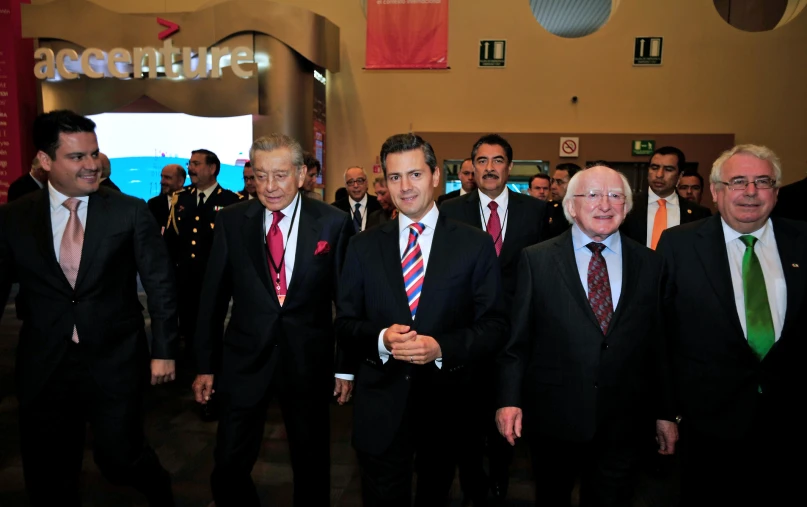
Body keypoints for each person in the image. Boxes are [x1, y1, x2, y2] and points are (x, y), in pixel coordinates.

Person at [0, 110, 178, 506]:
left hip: (115, 359)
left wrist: (164, 349)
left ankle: (159, 488)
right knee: (48, 471)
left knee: (119, 458)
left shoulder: (128, 211)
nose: (91, 164)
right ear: (46, 162)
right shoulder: (14, 217)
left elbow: (160, 285)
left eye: (94, 154)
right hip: (45, 362)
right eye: (77, 157)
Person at [335, 133, 508, 507]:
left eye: (414, 174)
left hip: (448, 407)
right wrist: (381, 338)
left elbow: (494, 325)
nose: (405, 186)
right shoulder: (362, 245)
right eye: (395, 177)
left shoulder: (473, 243)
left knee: (436, 495)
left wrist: (441, 347)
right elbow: (345, 322)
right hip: (380, 405)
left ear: (434, 176)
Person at [497, 165, 677, 506]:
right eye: (593, 195)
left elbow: (659, 345)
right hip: (554, 418)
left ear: (626, 207)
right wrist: (509, 399)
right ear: (570, 206)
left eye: (615, 196)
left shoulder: (652, 264)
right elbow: (517, 341)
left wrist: (666, 412)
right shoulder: (536, 260)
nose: (605, 205)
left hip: (625, 420)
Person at [192, 134, 355, 507]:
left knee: (311, 462)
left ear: (301, 174)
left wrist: (344, 368)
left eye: (280, 175)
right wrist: (205, 365)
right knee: (229, 462)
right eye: (260, 175)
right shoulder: (232, 220)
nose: (269, 187)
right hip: (244, 358)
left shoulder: (333, 223)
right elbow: (212, 299)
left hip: (308, 359)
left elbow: (347, 301)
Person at [656, 144, 807, 506]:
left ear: (776, 190)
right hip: (707, 423)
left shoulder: (803, 239)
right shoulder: (679, 244)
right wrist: (664, 412)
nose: (751, 192)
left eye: (763, 181)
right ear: (716, 190)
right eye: (738, 181)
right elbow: (660, 333)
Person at [441, 133, 547, 502]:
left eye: (497, 160)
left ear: (509, 167)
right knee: (468, 418)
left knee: (508, 409)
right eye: (482, 161)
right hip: (467, 332)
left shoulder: (535, 211)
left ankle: (501, 480)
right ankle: (472, 484)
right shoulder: (450, 210)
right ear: (470, 168)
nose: (489, 167)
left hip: (516, 332)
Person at [620, 146, 711, 249]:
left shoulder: (699, 214)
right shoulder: (627, 205)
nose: (659, 174)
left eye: (668, 169)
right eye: (654, 168)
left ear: (680, 176)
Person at [332, 166, 381, 232]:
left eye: (360, 181)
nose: (355, 186)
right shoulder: (336, 209)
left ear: (366, 183)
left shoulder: (379, 205)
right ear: (346, 186)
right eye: (351, 182)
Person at [147, 163, 186, 230]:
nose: (162, 181)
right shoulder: (153, 204)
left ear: (180, 181)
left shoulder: (192, 202)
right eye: (162, 177)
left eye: (167, 178)